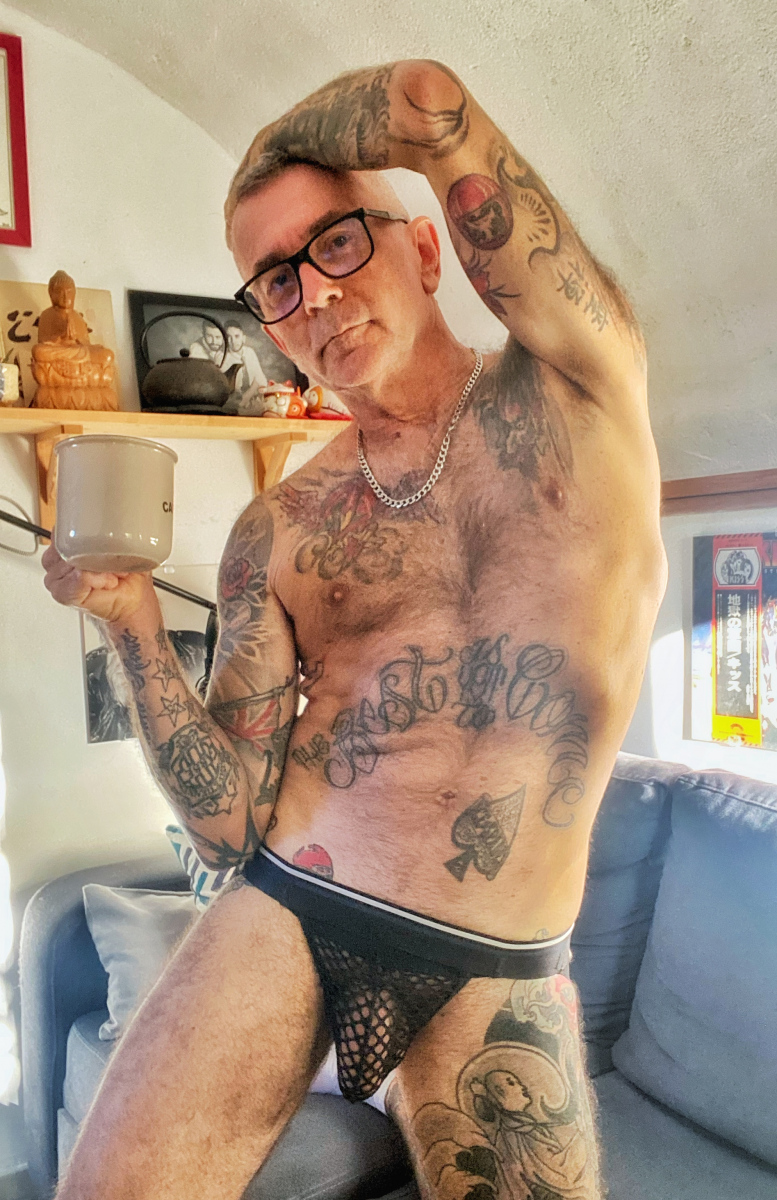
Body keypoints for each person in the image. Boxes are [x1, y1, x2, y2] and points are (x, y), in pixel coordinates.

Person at [42, 59, 666, 1200]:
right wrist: (130, 622)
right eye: (272, 282)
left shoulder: (578, 389)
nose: (313, 295)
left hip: (497, 958)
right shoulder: (279, 527)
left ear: (427, 249)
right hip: (293, 903)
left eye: (336, 243)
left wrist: (260, 158)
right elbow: (229, 822)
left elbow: (428, 100)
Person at [221, 321, 267, 409]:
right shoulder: (222, 357)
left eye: (237, 336)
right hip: (235, 404)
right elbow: (231, 391)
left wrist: (259, 386)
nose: (233, 341)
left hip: (252, 401)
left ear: (243, 338)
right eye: (229, 337)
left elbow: (261, 379)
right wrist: (254, 386)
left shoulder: (249, 352)